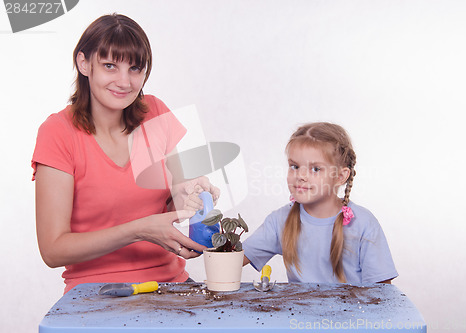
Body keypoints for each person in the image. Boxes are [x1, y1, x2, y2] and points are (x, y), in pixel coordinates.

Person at [31, 14, 219, 293]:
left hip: (167, 284)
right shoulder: (58, 133)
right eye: (110, 66)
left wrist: (188, 194)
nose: (124, 81)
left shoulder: (155, 113)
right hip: (95, 292)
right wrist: (137, 230)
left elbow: (172, 203)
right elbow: (53, 250)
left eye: (135, 68)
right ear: (84, 63)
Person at [243, 122, 398, 284]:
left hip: (353, 310)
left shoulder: (363, 223)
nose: (301, 176)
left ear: (340, 176)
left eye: (315, 169)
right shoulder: (279, 220)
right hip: (298, 309)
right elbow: (231, 261)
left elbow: (382, 294)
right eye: (294, 166)